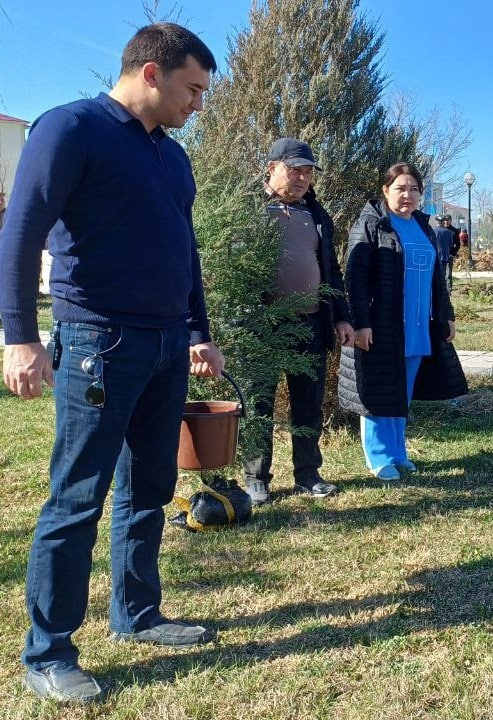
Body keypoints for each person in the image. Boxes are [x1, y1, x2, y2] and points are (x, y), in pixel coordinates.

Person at [0, 24, 224, 704]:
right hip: (98, 344)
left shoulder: (172, 158)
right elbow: (22, 227)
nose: (198, 105)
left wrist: (199, 330)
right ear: (151, 74)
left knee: (148, 489)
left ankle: (138, 614)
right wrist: (18, 335)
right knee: (77, 500)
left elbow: (184, 251)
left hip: (164, 346)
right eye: (192, 90)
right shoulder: (70, 129)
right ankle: (48, 652)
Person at [338, 162, 467, 481]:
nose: (407, 195)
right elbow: (355, 278)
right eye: (400, 188)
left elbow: (437, 277)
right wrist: (361, 323)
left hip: (419, 325)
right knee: (379, 390)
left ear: (421, 194)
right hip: (383, 326)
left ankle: (397, 452)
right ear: (385, 191)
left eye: (413, 189)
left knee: (401, 391)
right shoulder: (372, 224)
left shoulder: (423, 226)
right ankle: (378, 457)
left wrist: (446, 314)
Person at [242, 138, 354, 506]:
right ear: (271, 167)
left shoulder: (316, 215)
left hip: (310, 324)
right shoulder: (249, 211)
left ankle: (308, 474)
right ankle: (256, 478)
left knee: (309, 401)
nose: (303, 178)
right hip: (263, 328)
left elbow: (330, 271)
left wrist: (340, 317)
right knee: (259, 403)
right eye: (295, 170)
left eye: (308, 172)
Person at [432, 214, 460, 290]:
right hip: (444, 256)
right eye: (445, 220)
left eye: (448, 220)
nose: (446, 222)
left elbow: (457, 244)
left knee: (443, 274)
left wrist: (453, 253)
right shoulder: (448, 232)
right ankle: (443, 289)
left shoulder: (433, 230)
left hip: (441, 256)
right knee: (444, 274)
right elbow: (451, 244)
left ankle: (443, 289)